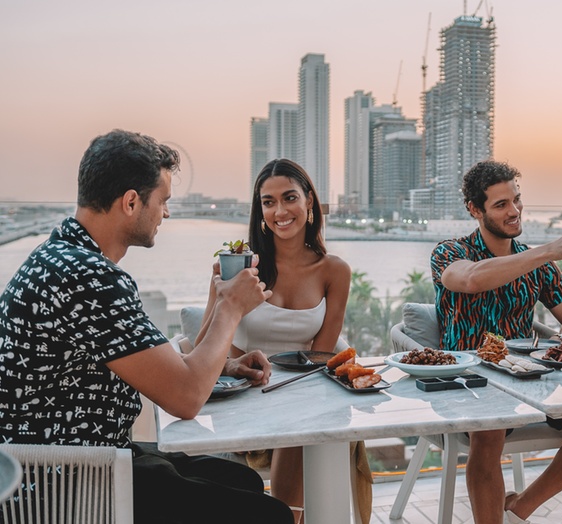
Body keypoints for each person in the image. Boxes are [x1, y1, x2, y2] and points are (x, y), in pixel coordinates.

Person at [0, 130, 295, 523]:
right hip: (63, 486)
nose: (166, 214)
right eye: (163, 201)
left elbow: (149, 361)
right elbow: (186, 398)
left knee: (241, 480)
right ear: (131, 202)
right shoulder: (88, 277)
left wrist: (222, 364)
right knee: (269, 515)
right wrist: (231, 307)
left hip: (73, 460)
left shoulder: (62, 256)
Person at [430, 160, 562, 524]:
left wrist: (558, 347)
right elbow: (473, 280)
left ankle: (519, 508)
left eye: (517, 200)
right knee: (490, 428)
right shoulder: (449, 253)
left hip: (529, 379)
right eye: (501, 205)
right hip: (468, 383)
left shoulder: (538, 265)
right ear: (475, 210)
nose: (514, 211)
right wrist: (546, 251)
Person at [195, 158, 358, 524]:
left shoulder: (334, 271)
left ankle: (288, 517)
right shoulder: (238, 266)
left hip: (299, 392)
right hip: (241, 391)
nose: (279, 211)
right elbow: (202, 345)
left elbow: (320, 356)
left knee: (299, 419)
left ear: (309, 203)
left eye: (289, 198)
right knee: (298, 423)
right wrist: (224, 294)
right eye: (268, 202)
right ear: (260, 210)